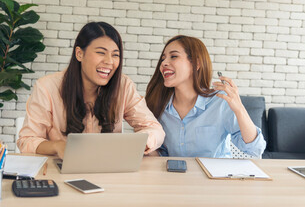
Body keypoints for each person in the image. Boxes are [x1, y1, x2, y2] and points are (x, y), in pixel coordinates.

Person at [18, 22, 165, 158]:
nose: (109, 61)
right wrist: (57, 146)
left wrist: (141, 141)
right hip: (60, 171)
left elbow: (154, 129)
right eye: (101, 52)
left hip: (109, 171)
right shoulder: (47, 87)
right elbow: (26, 141)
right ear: (79, 54)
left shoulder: (123, 86)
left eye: (115, 54)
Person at [145, 35, 266, 158]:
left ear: (196, 64)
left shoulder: (220, 101)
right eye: (163, 59)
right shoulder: (158, 105)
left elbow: (255, 149)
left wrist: (239, 109)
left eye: (174, 56)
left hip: (216, 176)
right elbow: (161, 153)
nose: (164, 63)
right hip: (175, 175)